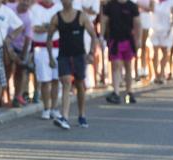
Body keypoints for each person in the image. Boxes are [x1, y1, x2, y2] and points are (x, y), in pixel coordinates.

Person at [48, 0, 98, 129]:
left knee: (80, 84)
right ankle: (64, 117)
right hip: (64, 55)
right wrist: (50, 57)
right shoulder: (57, 17)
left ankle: (81, 115)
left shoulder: (81, 16)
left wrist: (91, 53)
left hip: (79, 55)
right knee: (66, 82)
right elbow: (49, 37)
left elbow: (93, 35)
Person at [101, 0, 141, 104]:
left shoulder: (132, 6)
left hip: (128, 40)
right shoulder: (110, 5)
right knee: (116, 65)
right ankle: (116, 92)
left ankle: (129, 92)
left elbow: (137, 23)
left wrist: (138, 39)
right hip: (115, 40)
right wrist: (101, 36)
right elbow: (104, 20)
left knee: (128, 65)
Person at [31, 0, 63, 120]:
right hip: (41, 48)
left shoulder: (59, 7)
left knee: (56, 79)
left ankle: (54, 108)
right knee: (45, 80)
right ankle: (46, 108)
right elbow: (36, 28)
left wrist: (47, 26)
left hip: (58, 47)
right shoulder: (35, 8)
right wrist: (51, 27)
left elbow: (61, 26)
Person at [6, 0, 34, 107]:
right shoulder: (10, 8)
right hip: (8, 43)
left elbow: (28, 38)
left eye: (28, 3)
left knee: (21, 71)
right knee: (8, 70)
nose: (26, 5)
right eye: (24, 2)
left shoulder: (28, 17)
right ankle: (5, 96)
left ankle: (18, 96)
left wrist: (23, 54)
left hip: (22, 46)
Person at [150, 0, 173, 84]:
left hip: (165, 30)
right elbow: (150, 10)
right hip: (154, 30)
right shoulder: (154, 1)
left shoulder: (170, 2)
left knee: (164, 52)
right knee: (154, 53)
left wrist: (170, 27)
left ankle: (161, 74)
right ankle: (156, 75)